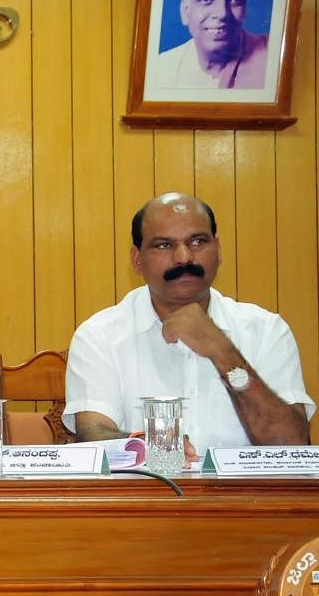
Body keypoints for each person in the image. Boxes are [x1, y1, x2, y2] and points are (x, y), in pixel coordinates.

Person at [65, 193, 313, 459]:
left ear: (218, 250)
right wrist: (155, 445)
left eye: (197, 241)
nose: (184, 258)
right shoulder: (99, 335)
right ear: (137, 260)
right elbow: (92, 435)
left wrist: (223, 353)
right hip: (145, 497)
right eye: (163, 245)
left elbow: (293, 445)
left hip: (247, 498)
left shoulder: (266, 331)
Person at [153, 0, 268, 89]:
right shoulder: (160, 71)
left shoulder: (272, 59)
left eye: (235, 0)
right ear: (185, 10)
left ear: (246, 9)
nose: (222, 13)